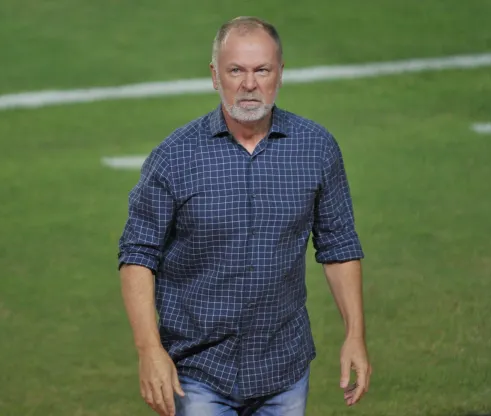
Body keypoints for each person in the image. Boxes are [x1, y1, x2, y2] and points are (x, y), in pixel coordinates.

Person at [118, 16, 371, 416]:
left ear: (280, 74)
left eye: (261, 70)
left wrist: (355, 335)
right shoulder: (173, 158)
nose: (249, 84)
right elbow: (137, 256)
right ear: (215, 76)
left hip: (283, 369)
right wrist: (149, 349)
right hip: (199, 371)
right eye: (236, 70)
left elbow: (339, 246)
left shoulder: (317, 149)